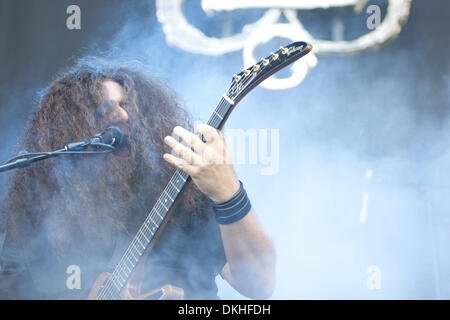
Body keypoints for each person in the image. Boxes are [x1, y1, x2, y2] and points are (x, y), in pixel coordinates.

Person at [0, 57, 275, 300]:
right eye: (104, 110)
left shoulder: (187, 191)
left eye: (128, 106)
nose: (123, 116)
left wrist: (228, 193)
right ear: (68, 132)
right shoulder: (36, 213)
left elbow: (258, 284)